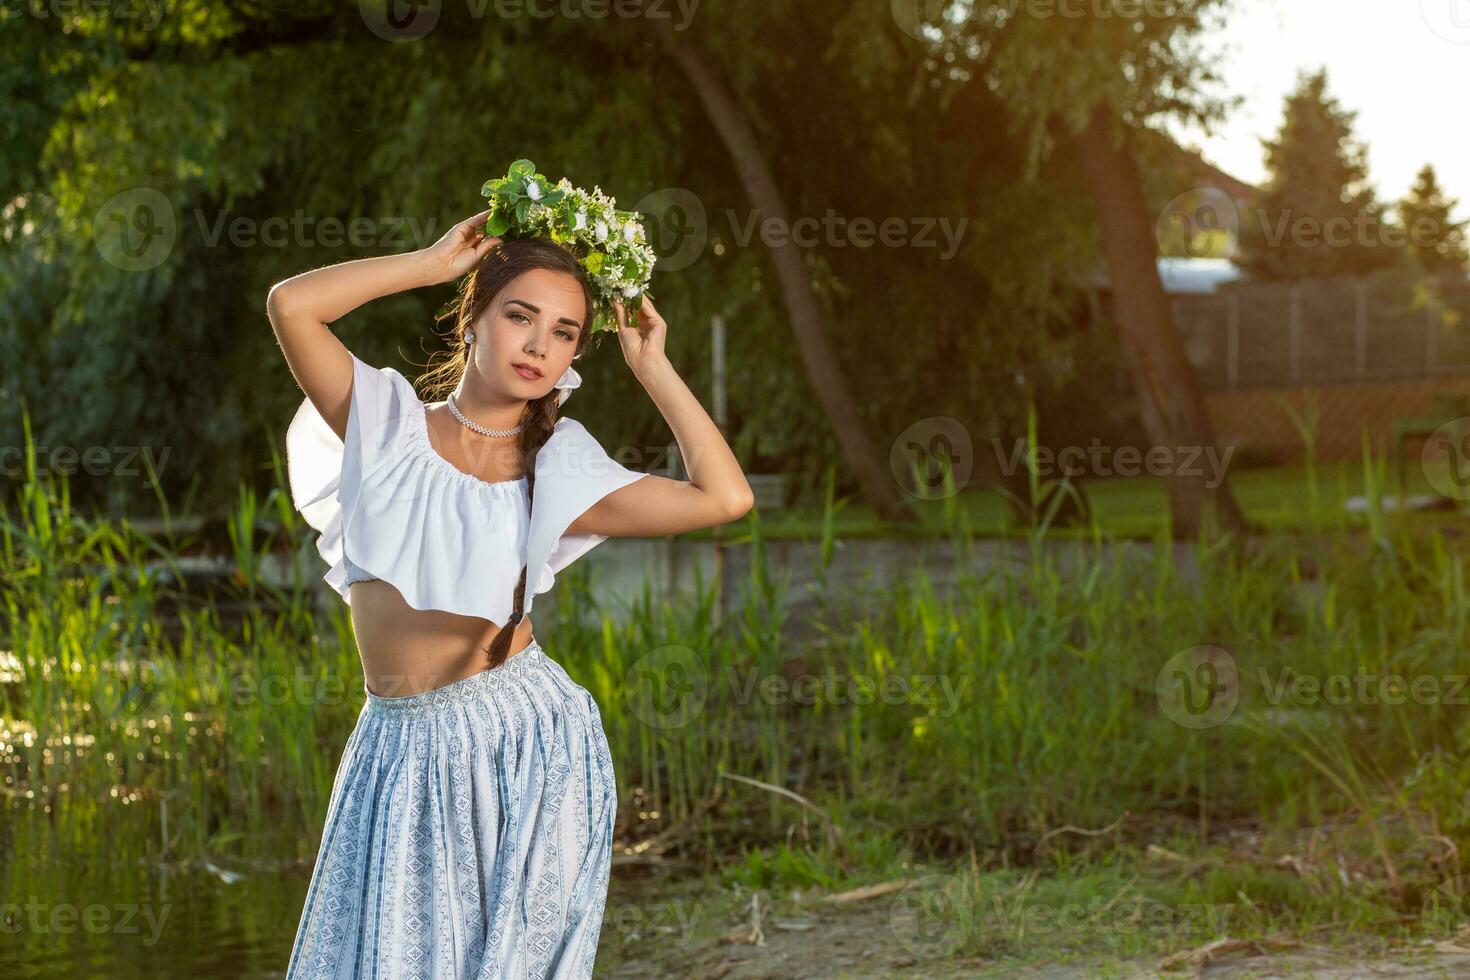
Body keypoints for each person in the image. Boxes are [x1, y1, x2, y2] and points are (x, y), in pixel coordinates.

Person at [267, 208, 753, 978]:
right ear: (473, 318)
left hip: (527, 744)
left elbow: (723, 498)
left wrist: (653, 367)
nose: (538, 345)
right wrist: (429, 265)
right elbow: (291, 304)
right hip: (393, 747)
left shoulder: (558, 467)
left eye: (563, 332)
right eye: (519, 316)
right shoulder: (384, 423)